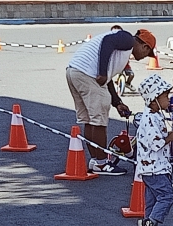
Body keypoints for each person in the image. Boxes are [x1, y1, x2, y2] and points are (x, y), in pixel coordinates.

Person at [66, 26, 157, 175]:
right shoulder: (127, 40)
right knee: (99, 120)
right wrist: (101, 72)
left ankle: (96, 160)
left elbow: (107, 79)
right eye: (148, 52)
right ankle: (101, 164)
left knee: (89, 119)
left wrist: (117, 103)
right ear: (144, 46)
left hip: (74, 71)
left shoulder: (121, 53)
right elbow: (107, 43)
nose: (145, 56)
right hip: (87, 73)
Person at [133, 74, 173, 226]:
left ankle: (149, 225)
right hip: (154, 168)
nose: (168, 100)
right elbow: (155, 143)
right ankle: (150, 224)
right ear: (154, 100)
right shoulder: (150, 119)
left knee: (152, 199)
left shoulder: (155, 115)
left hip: (152, 168)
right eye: (165, 97)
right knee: (167, 196)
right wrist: (170, 137)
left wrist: (168, 136)